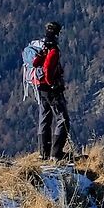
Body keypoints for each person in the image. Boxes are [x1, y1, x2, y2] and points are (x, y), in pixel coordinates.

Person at [33, 20, 70, 160]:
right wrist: (52, 84)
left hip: (41, 88)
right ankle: (56, 153)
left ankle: (44, 153)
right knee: (62, 119)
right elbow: (48, 68)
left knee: (45, 118)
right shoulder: (53, 50)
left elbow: (35, 63)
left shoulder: (43, 48)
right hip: (51, 89)